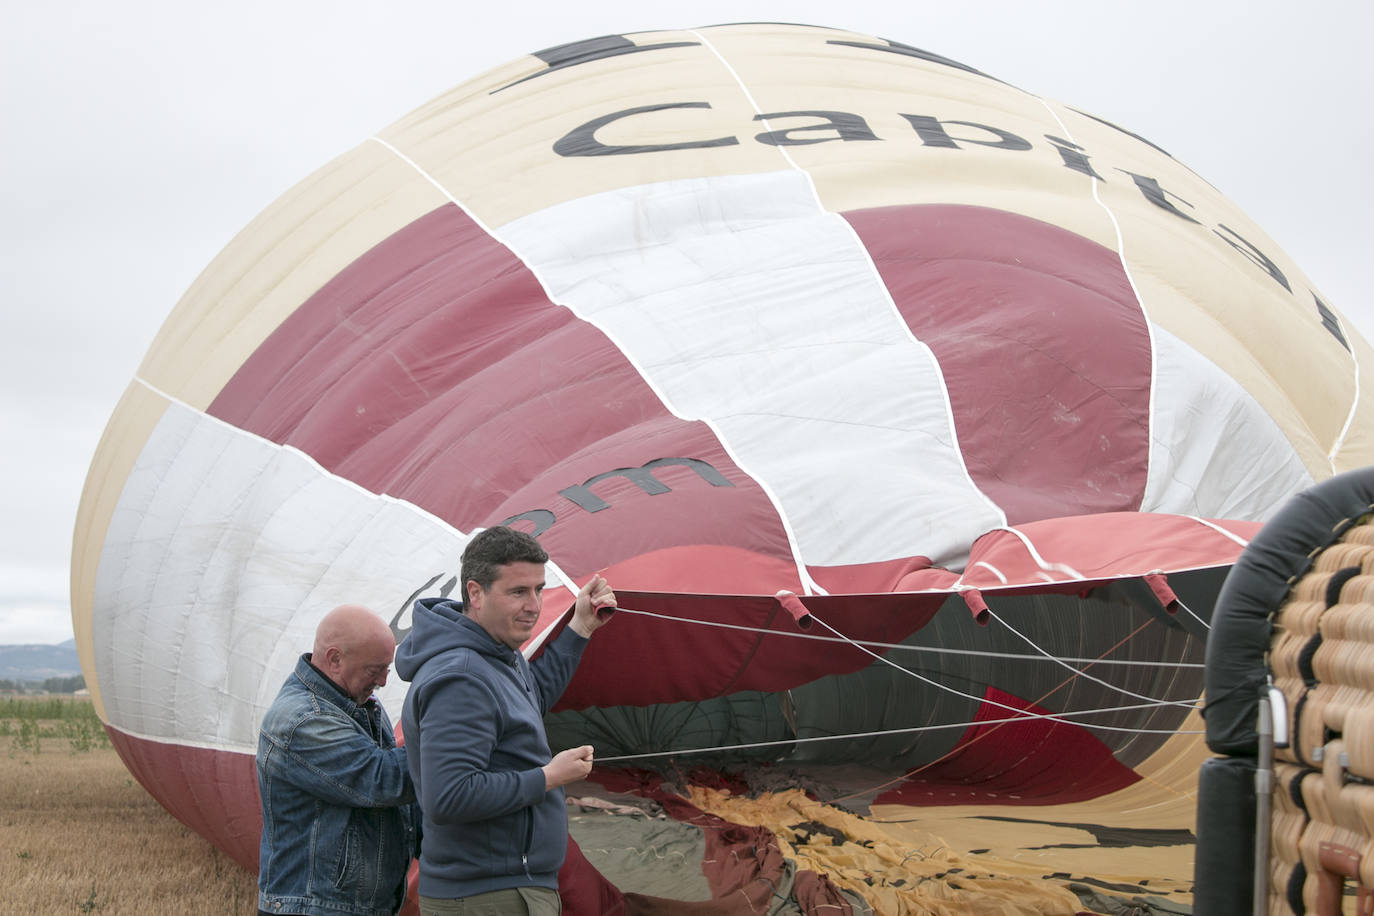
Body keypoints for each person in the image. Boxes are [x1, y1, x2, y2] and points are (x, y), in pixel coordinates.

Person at [395, 526, 616, 916]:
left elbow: (530, 700)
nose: (533, 605)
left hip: (506, 888)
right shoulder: (460, 677)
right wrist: (548, 776)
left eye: (538, 590)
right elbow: (449, 796)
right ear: (475, 593)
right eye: (518, 592)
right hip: (486, 897)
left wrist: (580, 628)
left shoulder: (497, 652)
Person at [256, 604, 420, 916]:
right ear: (334, 659)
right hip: (314, 909)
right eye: (374, 670)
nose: (384, 681)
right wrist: (451, 732)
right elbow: (384, 781)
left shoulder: (359, 706)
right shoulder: (302, 720)